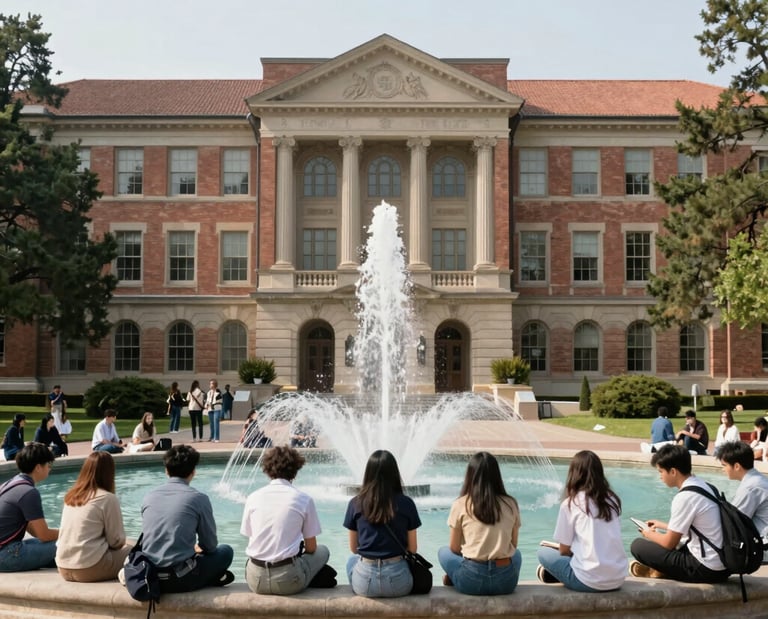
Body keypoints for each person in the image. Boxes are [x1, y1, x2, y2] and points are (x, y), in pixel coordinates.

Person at [137, 445, 234, 592]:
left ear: (166, 470)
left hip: (150, 575)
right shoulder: (199, 499)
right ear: (193, 472)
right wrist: (195, 549)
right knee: (226, 551)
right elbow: (210, 546)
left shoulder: (149, 496)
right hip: (180, 577)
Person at [629, 444, 729, 583]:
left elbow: (668, 543)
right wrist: (662, 525)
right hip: (724, 565)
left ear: (673, 472)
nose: (660, 477)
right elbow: (696, 527)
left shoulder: (684, 497)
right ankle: (658, 571)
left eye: (661, 471)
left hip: (705, 569)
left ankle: (658, 572)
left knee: (637, 546)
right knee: (675, 546)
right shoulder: (705, 486)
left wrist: (648, 533)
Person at [241, 445, 333, 594]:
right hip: (288, 579)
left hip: (255, 579)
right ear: (295, 471)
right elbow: (311, 548)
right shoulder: (303, 499)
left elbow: (249, 535)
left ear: (267, 470)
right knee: (323, 551)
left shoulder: (253, 497)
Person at [536, 450, 627, 591]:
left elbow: (564, 550)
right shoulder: (612, 499)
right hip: (618, 578)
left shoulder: (571, 503)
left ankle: (559, 575)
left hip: (589, 581)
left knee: (543, 552)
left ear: (574, 473)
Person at [438, 451, 522, 595]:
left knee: (443, 552)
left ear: (470, 476)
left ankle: (455, 576)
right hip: (506, 583)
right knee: (517, 554)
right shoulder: (510, 503)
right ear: (497, 476)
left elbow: (454, 547)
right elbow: (513, 545)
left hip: (472, 581)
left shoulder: (461, 504)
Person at [343, 450, 422, 598]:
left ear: (368, 473)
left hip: (365, 584)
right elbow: (412, 548)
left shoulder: (355, 503)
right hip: (398, 582)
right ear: (394, 473)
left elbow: (354, 549)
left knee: (351, 561)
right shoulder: (406, 503)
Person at [56, 452, 131, 581]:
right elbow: (116, 541)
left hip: (62, 566)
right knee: (137, 551)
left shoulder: (71, 497)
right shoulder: (107, 498)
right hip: (89, 567)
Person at [0, 442, 58, 571]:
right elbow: (44, 535)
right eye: (49, 464)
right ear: (38, 467)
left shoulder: (10, 484)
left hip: (5, 549)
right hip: (6, 554)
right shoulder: (28, 492)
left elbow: (34, 530)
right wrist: (70, 532)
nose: (50, 468)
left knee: (51, 546)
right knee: (70, 544)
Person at [718, 441, 768, 562]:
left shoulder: (751, 487)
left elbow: (733, 522)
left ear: (736, 466)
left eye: (724, 465)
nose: (723, 469)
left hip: (762, 548)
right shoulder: (757, 479)